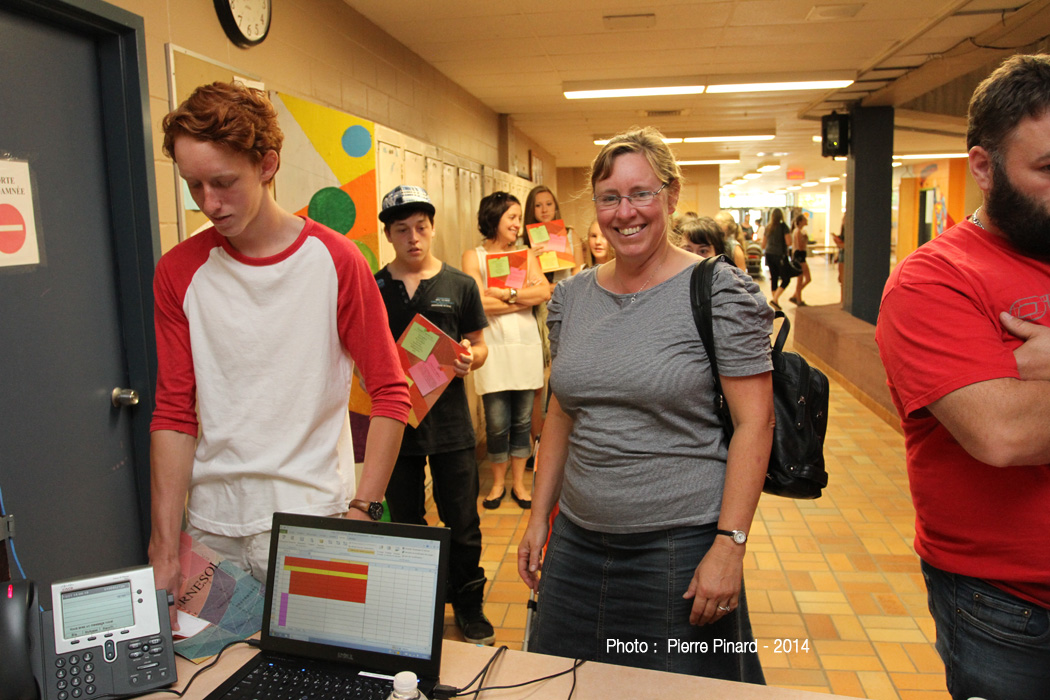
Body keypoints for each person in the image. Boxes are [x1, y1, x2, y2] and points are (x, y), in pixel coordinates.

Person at [517, 126, 774, 680]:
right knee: (562, 684)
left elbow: (757, 423)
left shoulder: (719, 291)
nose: (625, 212)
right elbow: (562, 412)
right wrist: (541, 516)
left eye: (641, 193)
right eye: (609, 198)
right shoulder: (571, 297)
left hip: (679, 550)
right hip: (578, 547)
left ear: (672, 196)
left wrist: (730, 546)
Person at [149, 82, 410, 625]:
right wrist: (164, 545)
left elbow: (390, 390)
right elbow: (174, 412)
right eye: (193, 185)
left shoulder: (335, 261)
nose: (209, 203)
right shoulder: (178, 271)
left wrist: (364, 509)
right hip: (212, 528)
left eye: (224, 182)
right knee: (207, 671)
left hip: (311, 522)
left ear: (267, 164)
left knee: (320, 669)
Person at [875, 54, 1050, 700]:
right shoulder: (934, 281)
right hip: (1011, 608)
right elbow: (1002, 434)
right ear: (984, 167)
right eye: (1047, 170)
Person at [374, 185, 495, 645]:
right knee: (405, 522)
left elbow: (479, 344)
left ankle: (468, 603)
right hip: (395, 425)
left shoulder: (458, 285)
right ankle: (416, 605)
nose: (414, 238)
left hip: (450, 425)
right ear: (389, 235)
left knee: (462, 522)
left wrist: (471, 358)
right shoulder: (374, 284)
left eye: (421, 228)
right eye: (402, 230)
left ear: (432, 228)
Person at [461, 192, 550, 510]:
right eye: (511, 217)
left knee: (523, 420)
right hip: (492, 351)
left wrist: (507, 293)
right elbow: (475, 303)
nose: (517, 223)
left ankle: (519, 485)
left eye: (517, 217)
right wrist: (520, 300)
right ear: (494, 218)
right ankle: (498, 483)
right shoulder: (474, 256)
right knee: (497, 421)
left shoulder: (526, 255)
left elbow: (544, 292)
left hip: (525, 347)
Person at [762, 207, 792, 309]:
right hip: (779, 255)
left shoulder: (768, 227)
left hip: (769, 254)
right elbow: (789, 242)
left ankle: (775, 302)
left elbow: (763, 244)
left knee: (774, 277)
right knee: (786, 279)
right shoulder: (784, 227)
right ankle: (775, 300)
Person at [788, 213, 811, 305]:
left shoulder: (800, 231)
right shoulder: (797, 231)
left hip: (801, 256)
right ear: (801, 221)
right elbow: (801, 246)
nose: (807, 221)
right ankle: (798, 299)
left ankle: (796, 296)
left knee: (806, 278)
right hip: (799, 257)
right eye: (805, 219)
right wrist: (805, 239)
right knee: (801, 279)